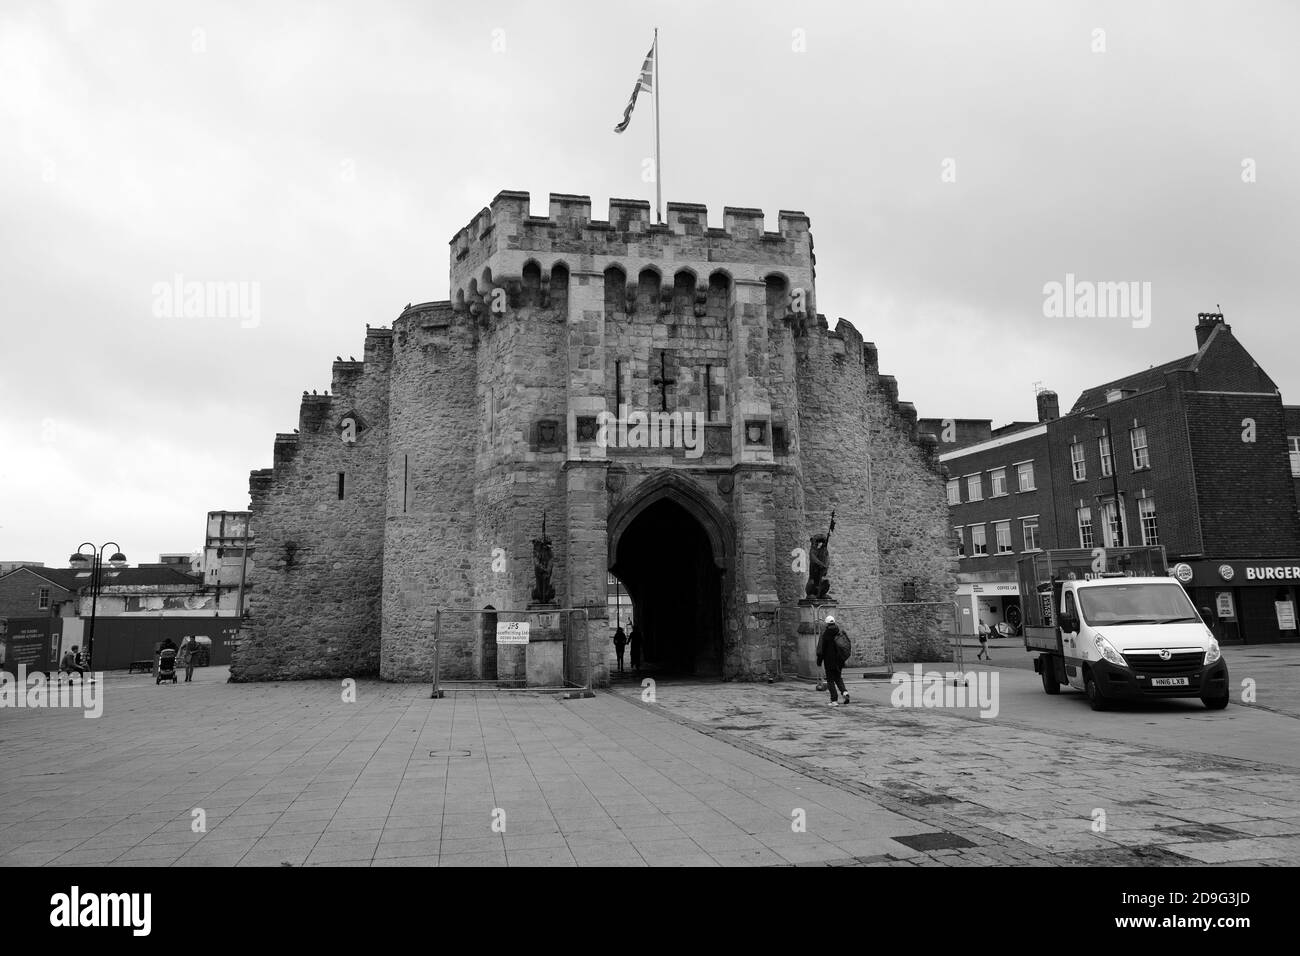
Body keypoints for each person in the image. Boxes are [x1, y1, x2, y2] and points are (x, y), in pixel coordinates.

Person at [817, 615, 849, 707]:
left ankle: (834, 700)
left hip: (829, 661)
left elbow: (821, 650)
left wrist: (819, 661)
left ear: (827, 624)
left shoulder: (825, 634)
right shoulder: (839, 631)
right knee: (838, 678)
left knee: (830, 680)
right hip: (839, 661)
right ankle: (845, 692)